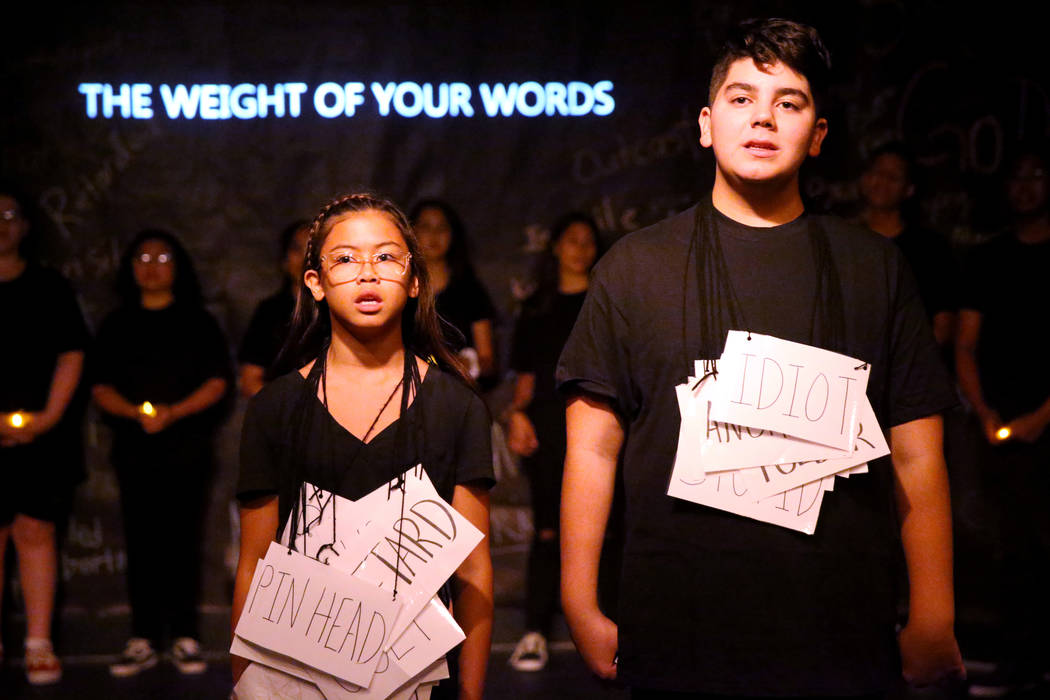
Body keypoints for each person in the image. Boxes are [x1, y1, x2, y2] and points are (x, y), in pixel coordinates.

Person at [557, 18, 965, 697]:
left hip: (840, 626)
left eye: (789, 102)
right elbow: (593, 447)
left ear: (819, 134)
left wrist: (934, 611)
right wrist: (578, 599)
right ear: (706, 124)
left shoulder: (875, 268)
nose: (763, 119)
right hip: (677, 626)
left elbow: (918, 447)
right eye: (742, 98)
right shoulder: (635, 267)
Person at [233, 193, 494, 700]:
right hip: (297, 674)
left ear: (415, 280)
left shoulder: (457, 407)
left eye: (387, 257)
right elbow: (254, 562)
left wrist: (472, 693)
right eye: (346, 258)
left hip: (420, 677)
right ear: (315, 282)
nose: (367, 273)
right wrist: (245, 678)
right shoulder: (275, 408)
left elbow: (474, 570)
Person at [91, 229, 231, 677]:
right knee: (141, 540)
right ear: (130, 267)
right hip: (134, 450)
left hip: (187, 448)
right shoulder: (116, 323)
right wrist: (136, 414)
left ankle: (185, 635)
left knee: (184, 540)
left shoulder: (198, 321)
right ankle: (144, 636)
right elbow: (100, 385)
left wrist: (174, 412)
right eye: (142, 257)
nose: (151, 265)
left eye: (162, 257)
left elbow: (217, 381)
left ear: (178, 266)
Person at [955, 148, 1050, 696]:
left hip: (1046, 420)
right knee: (1006, 543)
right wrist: (987, 412)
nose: (1025, 185)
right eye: (1017, 175)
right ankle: (1015, 661)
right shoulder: (988, 258)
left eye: (1035, 173)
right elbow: (966, 344)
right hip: (996, 423)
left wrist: (1042, 416)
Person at [0, 187, 88, 685]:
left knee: (36, 530)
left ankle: (38, 641)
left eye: (11, 215)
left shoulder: (49, 287)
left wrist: (46, 419)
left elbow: (71, 353)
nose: (2, 225)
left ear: (26, 225)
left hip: (42, 432)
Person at [505, 212, 600, 672]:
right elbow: (525, 381)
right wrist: (516, 415)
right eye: (572, 240)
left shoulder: (608, 299)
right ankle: (536, 631)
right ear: (556, 247)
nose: (581, 249)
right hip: (549, 424)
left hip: (604, 424)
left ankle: (613, 633)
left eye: (589, 241)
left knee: (611, 526)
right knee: (548, 529)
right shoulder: (537, 307)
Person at [858, 142, 958, 349]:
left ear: (909, 189)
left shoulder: (930, 248)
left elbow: (943, 325)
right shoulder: (843, 240)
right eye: (877, 172)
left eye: (893, 177)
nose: (882, 181)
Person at [409, 200, 497, 383]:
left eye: (442, 228)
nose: (434, 235)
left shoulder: (471, 290)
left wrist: (468, 363)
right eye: (426, 227)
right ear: (412, 232)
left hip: (458, 388)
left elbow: (487, 359)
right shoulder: (399, 288)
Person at [238, 219, 311, 398]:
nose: (305, 258)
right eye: (297, 249)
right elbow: (250, 380)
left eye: (312, 249)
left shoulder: (341, 309)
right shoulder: (269, 312)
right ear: (284, 260)